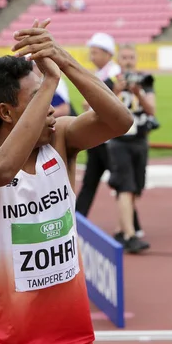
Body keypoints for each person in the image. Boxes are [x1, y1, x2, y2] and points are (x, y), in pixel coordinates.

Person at [0, 18, 132, 344]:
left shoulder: (60, 140)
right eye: (38, 99)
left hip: (72, 339)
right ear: (5, 113)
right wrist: (48, 81)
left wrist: (62, 61)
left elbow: (119, 121)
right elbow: (2, 168)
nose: (53, 107)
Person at [108, 44, 155, 252]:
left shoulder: (144, 80)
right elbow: (93, 106)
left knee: (136, 188)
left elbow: (152, 109)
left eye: (131, 57)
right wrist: (116, 90)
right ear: (119, 59)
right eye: (124, 57)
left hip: (140, 139)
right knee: (125, 187)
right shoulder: (111, 81)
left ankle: (120, 228)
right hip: (119, 141)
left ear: (136, 59)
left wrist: (139, 93)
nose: (127, 60)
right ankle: (130, 235)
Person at [74, 32, 121, 218]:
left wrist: (90, 104)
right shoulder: (102, 73)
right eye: (91, 52)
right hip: (98, 137)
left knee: (119, 182)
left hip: (110, 139)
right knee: (91, 180)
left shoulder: (114, 74)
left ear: (108, 54)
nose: (92, 56)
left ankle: (131, 227)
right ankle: (78, 217)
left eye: (95, 52)